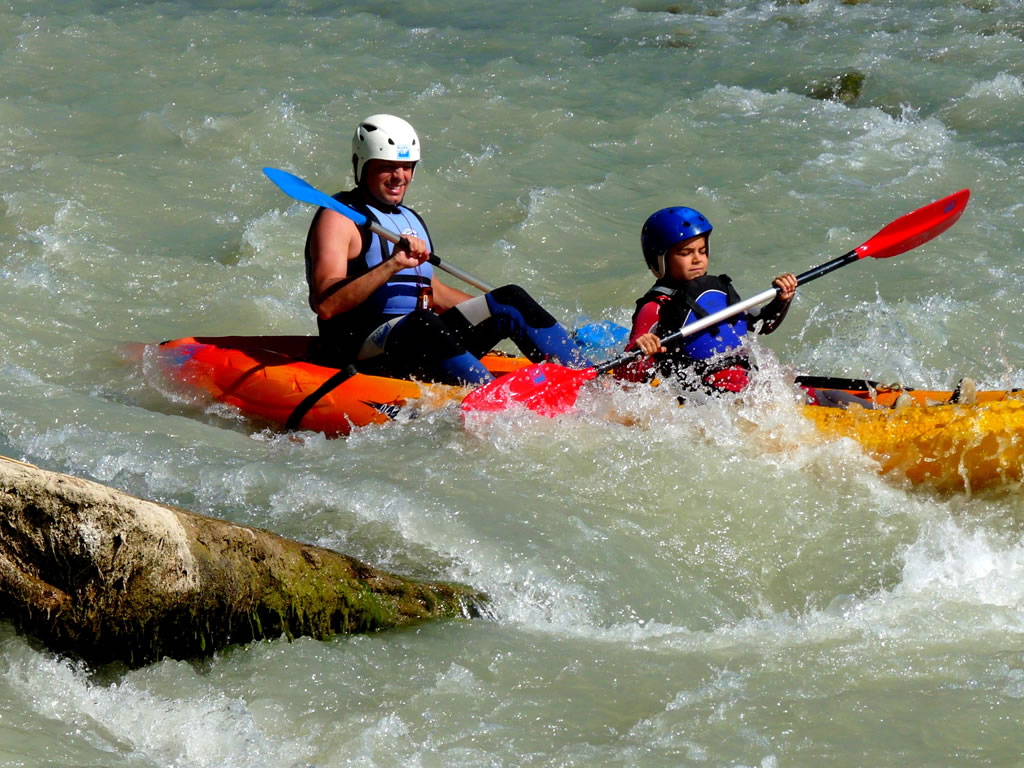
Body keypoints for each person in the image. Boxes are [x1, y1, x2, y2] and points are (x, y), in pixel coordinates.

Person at [304, 114, 589, 385]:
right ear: (361, 165)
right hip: (363, 350)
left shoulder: (410, 218)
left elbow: (435, 293)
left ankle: (589, 378)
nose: (399, 176)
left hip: (420, 340)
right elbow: (326, 305)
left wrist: (491, 311)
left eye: (406, 167)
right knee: (423, 322)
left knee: (509, 298)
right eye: (387, 167)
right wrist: (391, 265)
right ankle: (497, 402)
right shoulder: (339, 218)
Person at [615, 206, 796, 394]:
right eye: (685, 253)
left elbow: (764, 324)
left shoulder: (719, 291)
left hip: (745, 384)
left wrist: (782, 299)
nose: (697, 259)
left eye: (702, 251)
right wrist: (641, 347)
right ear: (660, 259)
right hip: (697, 398)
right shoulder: (655, 307)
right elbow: (623, 376)